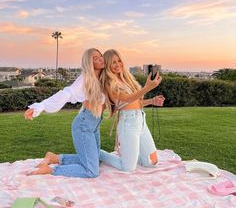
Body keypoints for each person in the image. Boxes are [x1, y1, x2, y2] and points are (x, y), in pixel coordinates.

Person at [24, 48, 106, 178]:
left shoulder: (102, 77)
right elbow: (67, 93)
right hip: (84, 125)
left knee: (97, 160)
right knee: (92, 171)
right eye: (95, 58)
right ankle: (50, 170)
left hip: (93, 125)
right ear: (89, 63)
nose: (100, 59)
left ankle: (54, 158)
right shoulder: (85, 78)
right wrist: (40, 106)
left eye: (100, 56)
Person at [99, 49, 165, 172]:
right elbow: (128, 99)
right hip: (128, 124)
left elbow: (135, 102)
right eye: (113, 62)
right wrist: (147, 87)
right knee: (128, 168)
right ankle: (100, 154)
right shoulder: (109, 83)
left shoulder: (126, 79)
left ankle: (131, 154)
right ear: (107, 65)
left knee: (152, 162)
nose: (118, 64)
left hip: (140, 120)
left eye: (119, 61)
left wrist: (152, 101)